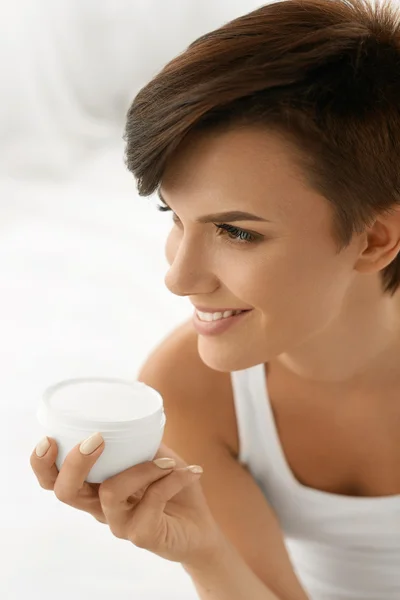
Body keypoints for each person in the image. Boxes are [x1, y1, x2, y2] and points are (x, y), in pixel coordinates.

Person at [30, 0, 400, 598]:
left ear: (375, 238)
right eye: (174, 216)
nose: (178, 278)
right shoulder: (189, 390)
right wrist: (204, 552)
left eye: (237, 232)